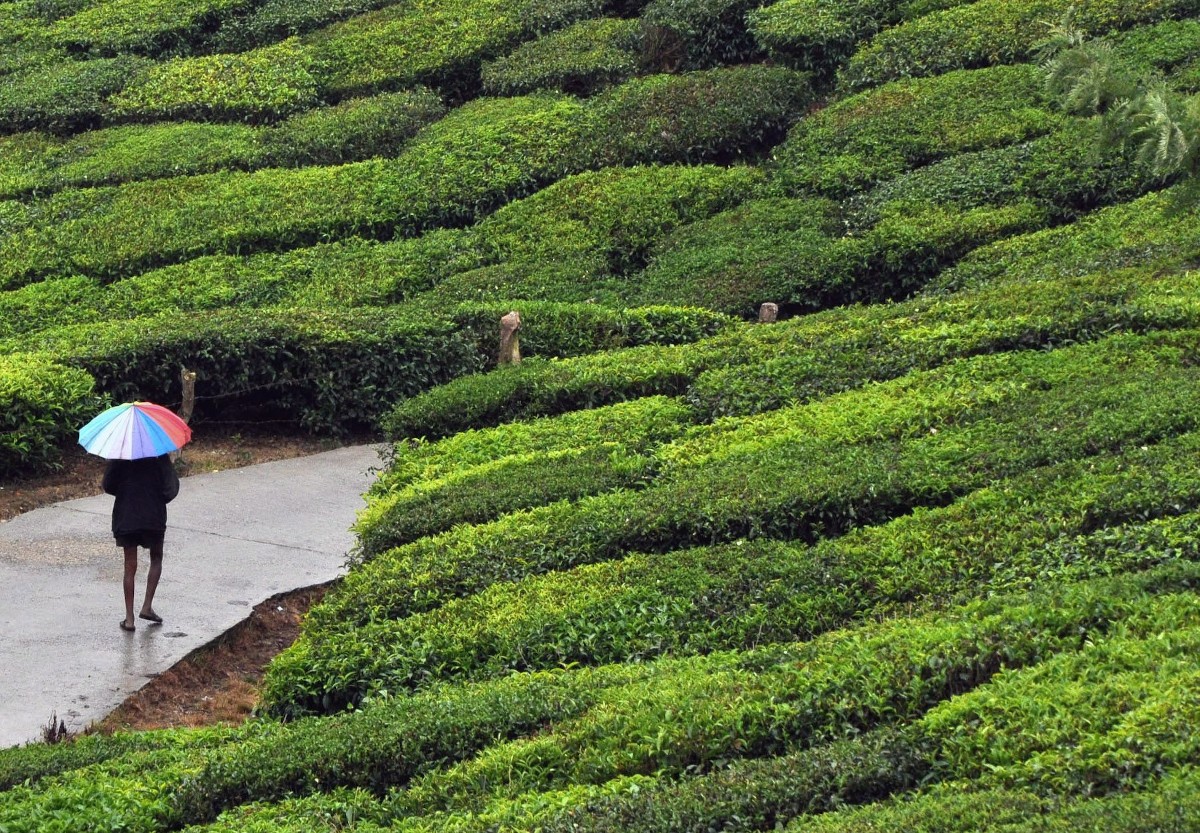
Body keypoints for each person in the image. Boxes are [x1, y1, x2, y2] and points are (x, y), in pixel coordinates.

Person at [102, 454, 180, 632]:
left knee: (130, 566)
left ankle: (129, 620)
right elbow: (171, 488)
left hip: (126, 515)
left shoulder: (120, 455)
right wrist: (154, 497)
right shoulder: (159, 454)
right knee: (156, 558)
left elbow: (108, 485)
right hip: (153, 515)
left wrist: (127, 491)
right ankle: (147, 606)